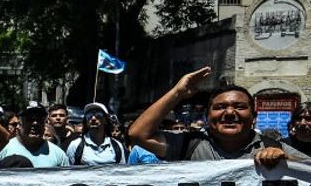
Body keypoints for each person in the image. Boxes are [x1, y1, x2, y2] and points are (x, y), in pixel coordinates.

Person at [128, 66, 310, 167]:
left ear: (253, 116)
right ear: (207, 117)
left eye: (239, 107)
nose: (230, 113)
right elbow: (138, 134)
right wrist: (177, 92)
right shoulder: (189, 146)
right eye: (220, 107)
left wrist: (287, 162)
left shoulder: (275, 147)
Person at [0, 105, 70, 169]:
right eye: (29, 119)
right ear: (19, 124)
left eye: (39, 119)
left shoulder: (59, 155)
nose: (35, 123)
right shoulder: (3, 150)